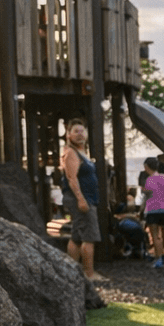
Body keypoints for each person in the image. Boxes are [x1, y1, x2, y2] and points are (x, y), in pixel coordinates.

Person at [60, 120, 101, 281]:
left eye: (82, 131)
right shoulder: (71, 153)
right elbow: (71, 178)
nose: (80, 134)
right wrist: (81, 199)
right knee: (89, 237)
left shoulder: (82, 153)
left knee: (77, 236)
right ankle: (89, 274)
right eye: (75, 131)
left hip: (88, 197)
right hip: (82, 199)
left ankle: (72, 273)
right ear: (68, 135)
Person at [140, 158, 164, 268]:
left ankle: (159, 258)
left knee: (156, 236)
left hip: (153, 210)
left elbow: (146, 192)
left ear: (147, 167)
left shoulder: (149, 180)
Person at [112, 189, 147, 259]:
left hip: (125, 222)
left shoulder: (123, 203)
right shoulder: (128, 201)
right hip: (130, 223)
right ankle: (137, 250)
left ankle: (134, 250)